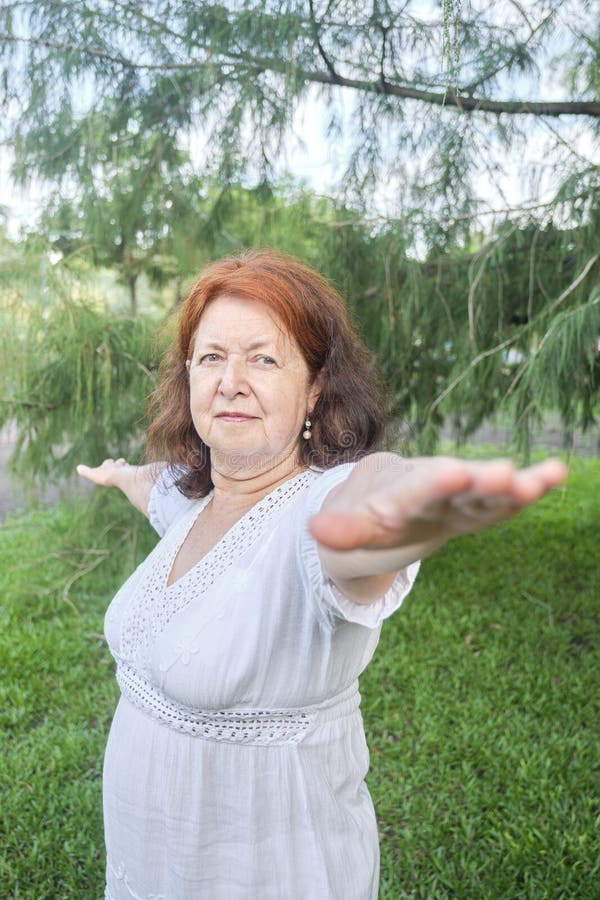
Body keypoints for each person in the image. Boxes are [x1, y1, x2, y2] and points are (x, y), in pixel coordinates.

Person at [77, 250, 566, 900]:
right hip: (148, 871)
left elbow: (366, 502)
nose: (230, 381)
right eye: (211, 357)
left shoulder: (316, 511)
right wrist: (119, 476)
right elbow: (155, 486)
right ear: (188, 376)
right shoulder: (192, 502)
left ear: (314, 387)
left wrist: (408, 499)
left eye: (264, 358)